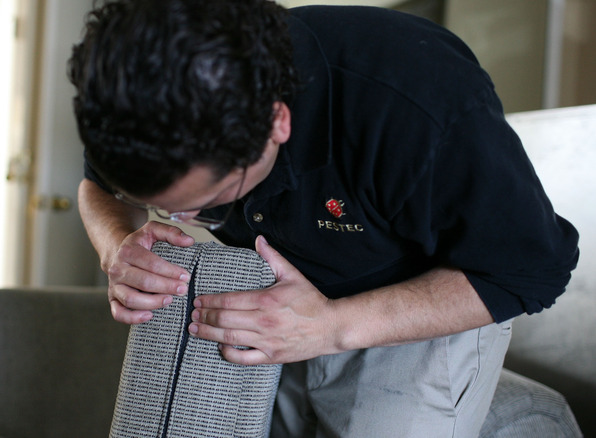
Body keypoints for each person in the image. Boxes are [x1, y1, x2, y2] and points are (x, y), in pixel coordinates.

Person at [69, 1, 580, 436]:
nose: (182, 220)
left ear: (277, 122)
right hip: (277, 290)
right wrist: (116, 244)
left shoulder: (419, 109)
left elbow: (530, 272)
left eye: (209, 200)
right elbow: (97, 187)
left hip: (417, 303)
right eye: (163, 205)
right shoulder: (133, 102)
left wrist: (332, 327)